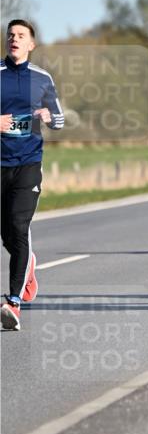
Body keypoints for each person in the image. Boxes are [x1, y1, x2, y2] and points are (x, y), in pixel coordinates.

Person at [1, 19, 64, 330]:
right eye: (10, 35)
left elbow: (60, 120)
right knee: (6, 234)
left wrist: (48, 116)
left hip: (28, 164)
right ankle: (29, 265)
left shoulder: (42, 79)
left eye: (20, 35)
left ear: (31, 45)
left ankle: (13, 301)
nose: (14, 39)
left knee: (18, 224)